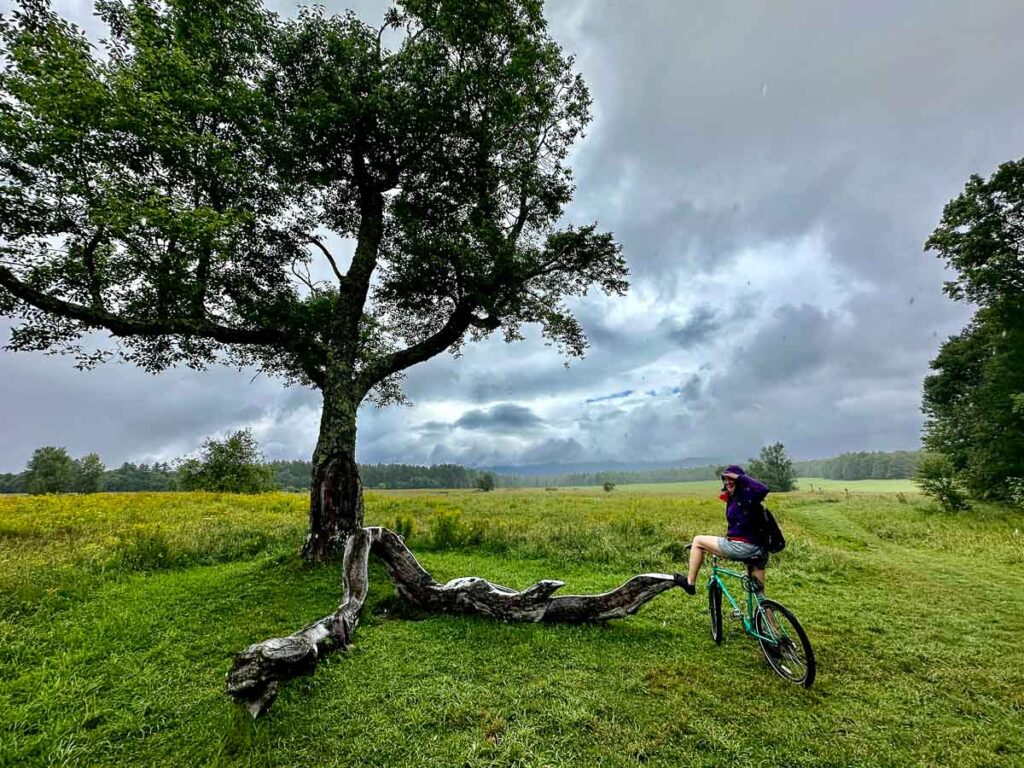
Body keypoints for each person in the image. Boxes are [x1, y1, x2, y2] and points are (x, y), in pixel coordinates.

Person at [674, 464, 770, 595]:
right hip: (758, 548)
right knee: (760, 596)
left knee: (698, 540)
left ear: (739, 480)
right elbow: (738, 529)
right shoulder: (735, 498)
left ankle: (689, 583)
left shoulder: (748, 497)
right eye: (725, 479)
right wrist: (709, 546)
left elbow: (763, 489)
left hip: (743, 547)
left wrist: (740, 477)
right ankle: (765, 614)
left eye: (731, 479)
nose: (727, 482)